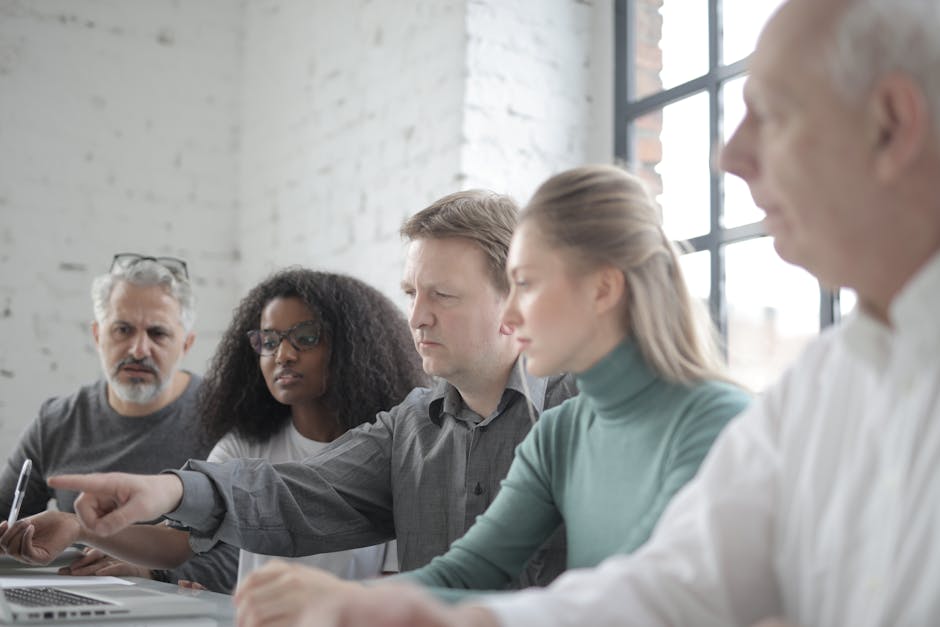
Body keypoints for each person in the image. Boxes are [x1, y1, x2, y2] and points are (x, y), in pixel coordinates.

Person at [229, 0, 940, 625]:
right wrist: (391, 608)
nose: (730, 154)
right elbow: (665, 592)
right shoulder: (824, 383)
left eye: (775, 113)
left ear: (891, 124)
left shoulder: (726, 417)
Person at [229, 164, 751, 624]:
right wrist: (349, 602)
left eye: (526, 285)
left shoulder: (714, 421)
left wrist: (372, 604)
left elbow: (645, 598)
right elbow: (466, 571)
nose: (511, 313)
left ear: (603, 290)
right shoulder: (563, 432)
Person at [3, 190, 578, 588]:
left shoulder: (588, 409)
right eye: (411, 294)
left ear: (516, 295)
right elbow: (297, 491)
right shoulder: (412, 424)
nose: (417, 319)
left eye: (442, 296)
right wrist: (167, 493)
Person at [2, 269, 427, 592]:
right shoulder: (245, 443)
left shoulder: (389, 454)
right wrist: (78, 527)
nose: (283, 355)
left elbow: (393, 590)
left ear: (353, 346)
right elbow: (182, 543)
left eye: (306, 338)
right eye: (269, 340)